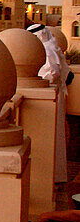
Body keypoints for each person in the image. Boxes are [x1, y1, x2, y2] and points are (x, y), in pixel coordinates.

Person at [28, 24, 72, 183]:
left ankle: (55, 177)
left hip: (51, 98)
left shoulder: (47, 50)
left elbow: (51, 74)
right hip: (55, 98)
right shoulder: (52, 47)